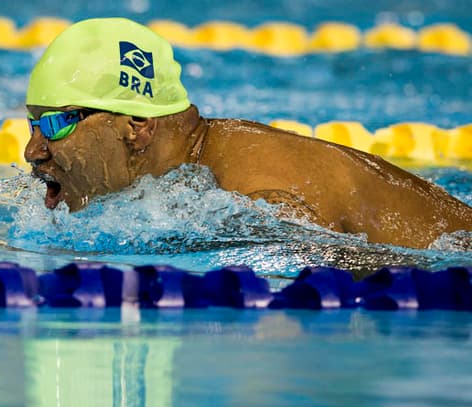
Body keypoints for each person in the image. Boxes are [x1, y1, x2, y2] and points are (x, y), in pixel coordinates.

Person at [23, 17, 472, 249]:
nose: (33, 151)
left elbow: (369, 273)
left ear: (137, 127)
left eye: (57, 123)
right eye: (33, 123)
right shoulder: (191, 171)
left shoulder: (251, 191)